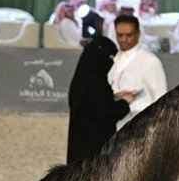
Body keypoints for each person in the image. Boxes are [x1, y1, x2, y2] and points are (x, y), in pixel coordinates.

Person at [68, 35, 132, 165]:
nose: (111, 62)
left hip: (79, 150)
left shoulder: (81, 78)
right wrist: (125, 102)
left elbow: (92, 103)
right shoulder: (96, 82)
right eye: (110, 58)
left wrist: (112, 97)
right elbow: (108, 113)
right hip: (95, 155)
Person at [107, 14, 168, 130]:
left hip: (141, 125)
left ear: (138, 34)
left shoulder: (150, 61)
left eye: (129, 35)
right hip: (114, 125)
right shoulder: (112, 59)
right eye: (120, 35)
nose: (124, 39)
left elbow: (161, 98)